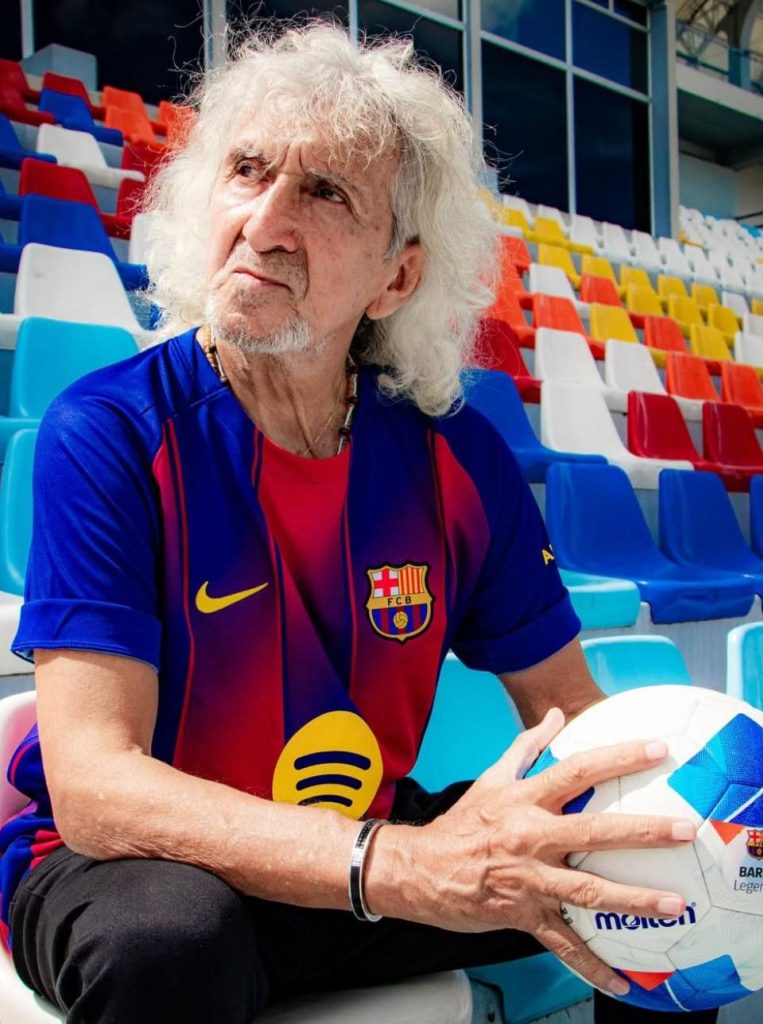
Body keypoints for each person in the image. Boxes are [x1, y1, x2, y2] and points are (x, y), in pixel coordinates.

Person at [0, 22, 717, 1024]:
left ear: (397, 276)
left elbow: (572, 713)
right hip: (136, 864)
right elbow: (96, 789)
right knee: (169, 945)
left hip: (357, 839)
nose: (263, 219)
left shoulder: (453, 460)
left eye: (325, 192)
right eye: (247, 170)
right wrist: (401, 866)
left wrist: (695, 806)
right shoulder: (112, 432)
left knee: (653, 862)